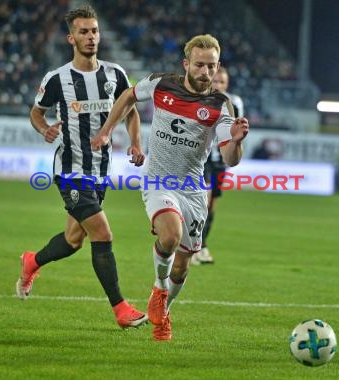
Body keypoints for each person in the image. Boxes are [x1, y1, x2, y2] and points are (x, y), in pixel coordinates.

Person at [91, 34, 249, 340]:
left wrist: (238, 141)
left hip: (192, 187)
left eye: (212, 66)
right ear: (186, 64)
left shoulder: (220, 105)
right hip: (158, 178)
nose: (206, 73)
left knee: (182, 267)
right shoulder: (162, 84)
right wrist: (107, 130)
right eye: (200, 65)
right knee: (170, 235)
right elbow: (127, 96)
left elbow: (230, 159)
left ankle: (163, 308)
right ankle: (160, 290)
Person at [15, 5, 148, 329]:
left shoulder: (115, 75)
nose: (91, 37)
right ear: (71, 37)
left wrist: (135, 142)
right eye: (84, 32)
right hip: (70, 169)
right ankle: (121, 309)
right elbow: (37, 111)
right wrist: (43, 128)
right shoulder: (58, 79)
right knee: (102, 232)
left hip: (100, 170)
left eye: (95, 31)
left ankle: (32, 261)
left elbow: (130, 111)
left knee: (74, 240)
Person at [192, 66, 244, 265]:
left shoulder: (234, 102)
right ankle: (194, 247)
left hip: (220, 161)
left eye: (222, 82)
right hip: (202, 159)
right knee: (204, 201)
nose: (219, 86)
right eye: (216, 82)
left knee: (212, 205)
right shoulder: (201, 100)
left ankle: (202, 245)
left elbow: (238, 128)